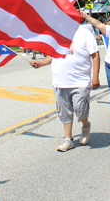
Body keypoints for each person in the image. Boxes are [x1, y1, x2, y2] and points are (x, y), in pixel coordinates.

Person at [30, 24, 100, 152]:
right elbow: (52, 55)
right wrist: (40, 63)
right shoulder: (56, 34)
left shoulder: (84, 33)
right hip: (60, 81)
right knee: (64, 111)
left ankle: (85, 127)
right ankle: (68, 139)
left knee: (81, 108)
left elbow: (95, 55)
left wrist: (95, 76)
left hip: (80, 80)